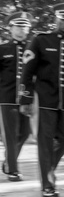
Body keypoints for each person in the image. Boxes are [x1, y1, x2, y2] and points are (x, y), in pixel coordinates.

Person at [20, 2, 64, 197]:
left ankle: (48, 168)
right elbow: (27, 71)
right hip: (45, 100)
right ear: (55, 18)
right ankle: (47, 184)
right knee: (45, 141)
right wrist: (25, 98)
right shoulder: (41, 40)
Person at [1, 11, 34, 181]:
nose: (21, 30)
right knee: (10, 134)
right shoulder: (3, 49)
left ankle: (8, 161)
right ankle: (12, 169)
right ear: (10, 28)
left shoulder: (33, 48)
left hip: (26, 99)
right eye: (18, 26)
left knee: (24, 133)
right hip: (7, 98)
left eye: (25, 26)